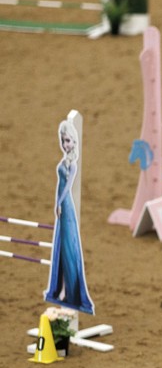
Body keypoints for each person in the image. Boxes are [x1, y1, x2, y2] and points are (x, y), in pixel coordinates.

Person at [45, 119, 95, 315]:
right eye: (63, 140)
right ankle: (63, 289)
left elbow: (67, 187)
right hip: (61, 206)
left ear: (74, 141)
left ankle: (69, 291)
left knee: (67, 249)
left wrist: (58, 203)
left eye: (68, 141)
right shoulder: (65, 161)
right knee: (63, 249)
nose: (66, 144)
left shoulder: (72, 164)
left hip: (65, 206)